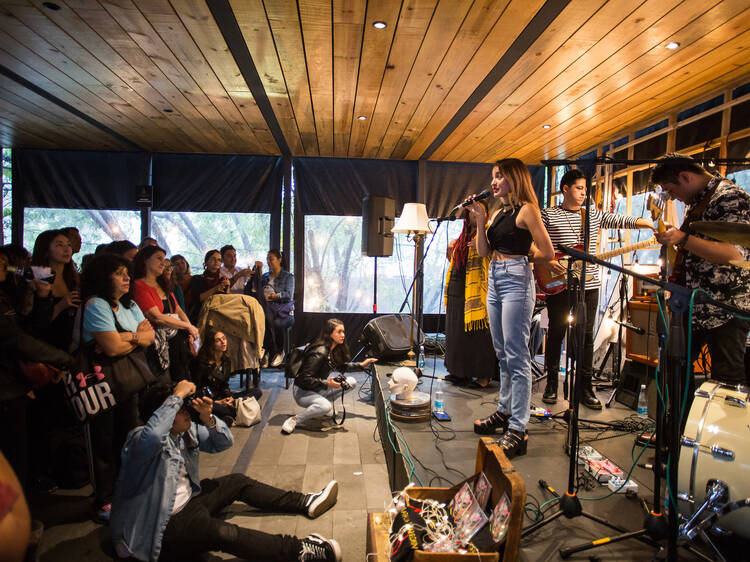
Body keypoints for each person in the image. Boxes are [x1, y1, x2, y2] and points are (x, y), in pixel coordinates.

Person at [110, 380, 342, 562]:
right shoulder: (139, 438)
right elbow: (153, 436)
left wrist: (208, 418)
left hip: (190, 502)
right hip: (162, 527)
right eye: (180, 410)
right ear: (165, 416)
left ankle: (304, 502)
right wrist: (176, 396)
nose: (185, 413)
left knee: (237, 481)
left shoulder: (184, 433)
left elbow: (224, 443)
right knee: (224, 534)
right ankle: (299, 550)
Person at [539, 169, 654, 409]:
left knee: (586, 336)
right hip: (559, 283)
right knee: (557, 332)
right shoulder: (548, 215)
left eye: (585, 189)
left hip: (589, 284)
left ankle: (584, 386)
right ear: (565, 189)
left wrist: (646, 224)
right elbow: (533, 241)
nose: (583, 193)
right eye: (579, 188)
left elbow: (618, 219)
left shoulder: (591, 214)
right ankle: (551, 383)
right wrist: (549, 261)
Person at [469, 158, 554, 459]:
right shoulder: (497, 211)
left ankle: (519, 427)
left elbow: (548, 251)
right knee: (502, 351)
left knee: (517, 356)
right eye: (493, 176)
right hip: (494, 277)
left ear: (514, 179)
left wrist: (525, 254)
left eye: (500, 177)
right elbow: (482, 251)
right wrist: (480, 220)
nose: (494, 182)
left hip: (517, 278)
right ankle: (505, 411)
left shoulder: (527, 210)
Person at [651, 153, 750, 384]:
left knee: (726, 382)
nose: (674, 198)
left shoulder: (731, 197)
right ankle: (678, 421)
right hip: (694, 306)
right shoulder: (698, 200)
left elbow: (735, 253)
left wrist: (683, 238)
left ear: (684, 177)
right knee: (672, 374)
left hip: (726, 308)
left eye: (671, 191)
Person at [81, 253, 156, 521]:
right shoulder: (96, 305)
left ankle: (128, 491)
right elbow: (111, 348)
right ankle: (104, 499)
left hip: (128, 383)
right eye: (119, 273)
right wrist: (135, 337)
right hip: (101, 386)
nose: (127, 278)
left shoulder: (130, 304)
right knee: (104, 440)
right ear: (103, 277)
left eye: (127, 272)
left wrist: (127, 337)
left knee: (130, 436)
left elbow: (150, 337)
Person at [0, 248, 72, 491]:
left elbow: (34, 329)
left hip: (22, 375)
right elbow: (18, 339)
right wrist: (64, 359)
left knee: (26, 439)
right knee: (14, 450)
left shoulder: (15, 292)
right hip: (9, 382)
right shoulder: (6, 297)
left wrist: (40, 297)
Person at [282, 318, 377, 434]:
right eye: (339, 332)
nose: (343, 335)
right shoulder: (320, 352)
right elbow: (303, 379)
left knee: (351, 382)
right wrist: (327, 383)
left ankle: (320, 406)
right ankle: (294, 420)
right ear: (330, 333)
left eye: (343, 331)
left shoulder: (333, 350)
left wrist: (361, 365)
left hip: (317, 387)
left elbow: (341, 367)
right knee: (325, 406)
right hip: (302, 391)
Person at [443, 202, 497, 388]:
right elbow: (455, 260)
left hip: (477, 289)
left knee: (479, 333)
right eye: (469, 211)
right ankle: (460, 373)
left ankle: (483, 376)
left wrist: (484, 244)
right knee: (457, 332)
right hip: (458, 285)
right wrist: (451, 250)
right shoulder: (463, 235)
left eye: (476, 211)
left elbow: (493, 254)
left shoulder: (489, 231)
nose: (472, 214)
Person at [133, 246, 200, 381]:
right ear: (145, 260)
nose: (163, 263)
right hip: (156, 342)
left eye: (164, 259)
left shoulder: (163, 284)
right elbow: (156, 317)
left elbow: (178, 309)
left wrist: (189, 329)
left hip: (177, 339)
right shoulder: (139, 285)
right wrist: (187, 326)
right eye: (159, 259)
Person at [190, 330, 261, 425]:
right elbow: (197, 389)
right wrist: (218, 402)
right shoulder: (202, 363)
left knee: (257, 392)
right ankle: (237, 410)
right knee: (218, 408)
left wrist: (230, 398)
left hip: (223, 396)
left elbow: (225, 385)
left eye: (224, 338)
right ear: (211, 344)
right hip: (210, 400)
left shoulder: (226, 360)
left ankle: (234, 409)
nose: (223, 342)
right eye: (218, 340)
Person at [30, 229, 81, 351]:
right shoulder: (35, 279)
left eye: (69, 245)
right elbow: (33, 326)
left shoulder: (75, 279)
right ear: (46, 251)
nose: (67, 249)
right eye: (59, 245)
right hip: (46, 347)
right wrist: (60, 306)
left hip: (72, 345)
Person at [257, 249, 295, 368]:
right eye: (267, 259)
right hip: (267, 309)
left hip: (284, 311)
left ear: (279, 260)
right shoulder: (264, 277)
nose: (268, 262)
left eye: (271, 259)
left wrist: (274, 296)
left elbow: (288, 295)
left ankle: (276, 351)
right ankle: (267, 352)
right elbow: (257, 292)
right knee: (261, 320)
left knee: (275, 322)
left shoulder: (288, 277)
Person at [188, 250, 230, 323]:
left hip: (219, 315)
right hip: (201, 314)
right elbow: (199, 299)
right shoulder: (197, 278)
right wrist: (216, 288)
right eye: (213, 259)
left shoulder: (223, 280)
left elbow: (225, 301)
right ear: (206, 262)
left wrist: (228, 287)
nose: (216, 261)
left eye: (219, 260)